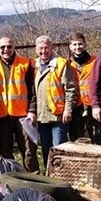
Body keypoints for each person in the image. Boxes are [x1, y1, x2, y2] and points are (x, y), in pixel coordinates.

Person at [0, 36, 40, 173]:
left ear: (14, 47)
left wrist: (32, 110)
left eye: (9, 46)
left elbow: (33, 91)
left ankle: (33, 178)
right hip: (1, 116)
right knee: (5, 151)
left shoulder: (26, 64)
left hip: (23, 116)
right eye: (2, 47)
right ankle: (11, 180)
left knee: (29, 150)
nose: (6, 50)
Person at [33, 35, 78, 169]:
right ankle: (49, 176)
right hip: (41, 117)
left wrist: (68, 109)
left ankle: (62, 175)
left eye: (46, 47)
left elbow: (70, 88)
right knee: (46, 149)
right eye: (40, 48)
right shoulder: (34, 66)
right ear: (36, 49)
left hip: (58, 115)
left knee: (58, 148)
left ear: (51, 47)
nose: (44, 51)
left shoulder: (61, 63)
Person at [67, 32, 100, 144]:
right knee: (76, 139)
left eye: (80, 44)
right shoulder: (66, 64)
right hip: (75, 106)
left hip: (92, 105)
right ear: (70, 47)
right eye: (75, 45)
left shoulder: (95, 61)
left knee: (97, 138)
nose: (78, 47)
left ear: (85, 45)